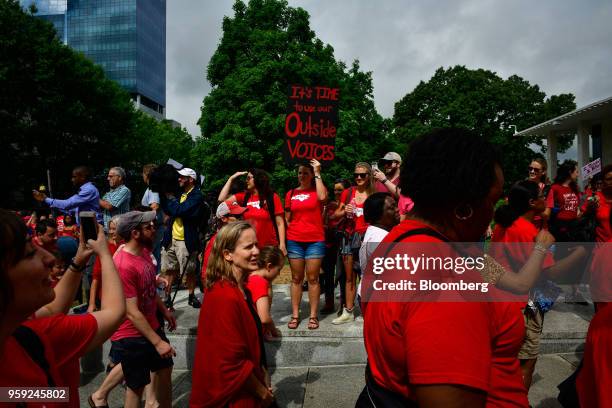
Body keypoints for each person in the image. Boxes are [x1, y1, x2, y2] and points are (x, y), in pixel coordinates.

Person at [359, 128, 530, 407]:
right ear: (464, 209)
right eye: (491, 201)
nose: (495, 211)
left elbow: (514, 283)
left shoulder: (398, 241)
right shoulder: (448, 280)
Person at [0, 209, 125, 408]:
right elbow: (114, 312)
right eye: (30, 252)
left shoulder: (18, 329)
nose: (50, 259)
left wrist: (78, 261)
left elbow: (52, 309)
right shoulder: (38, 335)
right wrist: (104, 253)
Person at [491, 180, 586, 390]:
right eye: (543, 196)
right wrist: (581, 254)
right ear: (532, 202)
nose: (546, 199)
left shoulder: (506, 223)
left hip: (502, 301)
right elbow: (549, 273)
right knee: (526, 362)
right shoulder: (524, 230)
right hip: (523, 306)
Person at [90, 211, 176, 408]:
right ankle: (100, 396)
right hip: (131, 333)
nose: (154, 229)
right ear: (135, 233)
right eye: (149, 227)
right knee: (136, 386)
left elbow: (149, 289)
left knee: (165, 369)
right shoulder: (123, 264)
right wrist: (158, 343)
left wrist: (164, 311)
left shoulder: (145, 253)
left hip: (150, 325)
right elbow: (131, 311)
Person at [190, 221, 274, 407]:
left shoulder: (242, 290)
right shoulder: (223, 295)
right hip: (230, 397)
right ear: (227, 255)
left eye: (256, 245)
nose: (256, 252)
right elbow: (230, 362)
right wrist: (262, 394)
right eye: (248, 247)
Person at [285, 159, 328, 330]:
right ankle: (295, 315)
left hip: (315, 240)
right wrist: (292, 231)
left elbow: (323, 197)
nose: (302, 176)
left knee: (313, 278)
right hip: (294, 240)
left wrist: (318, 172)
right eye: (300, 173)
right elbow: (287, 218)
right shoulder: (291, 193)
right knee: (296, 278)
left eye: (305, 173)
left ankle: (313, 316)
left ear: (311, 175)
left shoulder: (318, 190)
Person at [332, 162, 375, 324]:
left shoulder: (374, 193)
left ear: (369, 176)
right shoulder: (348, 192)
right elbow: (336, 214)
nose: (358, 178)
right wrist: (345, 211)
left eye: (362, 175)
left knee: (369, 275)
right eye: (356, 175)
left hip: (368, 237)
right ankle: (348, 311)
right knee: (350, 276)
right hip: (349, 236)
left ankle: (369, 310)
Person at [161, 167, 204, 309]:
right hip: (170, 238)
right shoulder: (179, 194)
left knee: (189, 271)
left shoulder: (197, 196)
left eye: (182, 177)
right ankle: (167, 298)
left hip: (185, 240)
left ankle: (191, 296)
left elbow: (179, 210)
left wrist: (172, 200)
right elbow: (169, 210)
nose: (178, 179)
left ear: (190, 179)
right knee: (169, 269)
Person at [218, 169, 286, 255]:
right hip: (249, 246)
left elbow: (280, 223)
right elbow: (221, 200)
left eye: (248, 178)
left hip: (269, 247)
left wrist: (282, 244)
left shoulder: (272, 197)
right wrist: (231, 179)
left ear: (258, 179)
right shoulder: (244, 197)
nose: (246, 181)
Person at [357, 192, 399, 311]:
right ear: (378, 214)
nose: (397, 210)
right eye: (392, 207)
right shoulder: (380, 239)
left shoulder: (378, 233)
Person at [32, 165, 102, 224]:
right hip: (88, 226)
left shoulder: (88, 190)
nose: (72, 179)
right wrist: (52, 204)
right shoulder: (85, 189)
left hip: (92, 227)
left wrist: (46, 199)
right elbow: (72, 209)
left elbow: (67, 204)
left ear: (83, 177)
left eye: (74, 177)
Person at [321, 178, 351, 313]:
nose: (337, 192)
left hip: (343, 244)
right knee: (328, 275)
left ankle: (344, 303)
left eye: (340, 190)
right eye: (335, 190)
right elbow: (325, 222)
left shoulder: (350, 205)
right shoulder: (330, 205)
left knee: (342, 275)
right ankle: (329, 303)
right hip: (329, 244)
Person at [201, 200, 248, 282]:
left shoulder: (239, 236)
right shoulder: (216, 241)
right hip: (224, 286)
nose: (241, 218)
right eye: (237, 215)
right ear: (223, 218)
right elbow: (206, 272)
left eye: (241, 215)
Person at [247, 246, 285, 341]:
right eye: (278, 269)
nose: (278, 274)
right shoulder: (260, 282)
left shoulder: (247, 276)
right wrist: (274, 331)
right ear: (269, 266)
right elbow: (264, 318)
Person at [88, 216, 121, 313]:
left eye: (114, 229)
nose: (111, 232)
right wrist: (91, 303)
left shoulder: (127, 247)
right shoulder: (105, 248)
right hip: (105, 298)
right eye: (110, 228)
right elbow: (96, 277)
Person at [142, 164, 166, 269]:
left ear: (147, 175)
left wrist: (145, 221)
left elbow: (155, 206)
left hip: (153, 228)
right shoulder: (155, 188)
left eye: (143, 173)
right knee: (155, 258)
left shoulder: (153, 189)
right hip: (157, 228)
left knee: (149, 257)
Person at [99, 166, 131, 231]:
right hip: (108, 229)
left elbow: (109, 206)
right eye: (108, 176)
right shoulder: (109, 192)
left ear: (119, 177)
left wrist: (93, 197)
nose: (108, 178)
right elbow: (101, 206)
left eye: (111, 176)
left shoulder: (125, 190)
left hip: (119, 230)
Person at [527, 157, 551, 229]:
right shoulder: (521, 186)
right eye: (530, 168)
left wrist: (534, 208)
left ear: (543, 172)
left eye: (536, 170)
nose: (532, 171)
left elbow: (547, 215)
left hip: (538, 229)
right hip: (521, 228)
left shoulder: (546, 190)